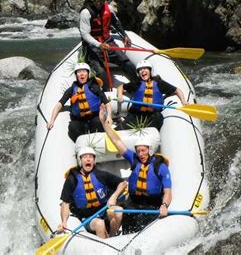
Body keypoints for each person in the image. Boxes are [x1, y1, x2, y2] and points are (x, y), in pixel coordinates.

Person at [99, 104, 172, 234]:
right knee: (123, 220)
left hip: (152, 206)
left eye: (143, 151)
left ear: (149, 150)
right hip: (133, 204)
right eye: (138, 151)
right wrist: (105, 124)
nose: (141, 154)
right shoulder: (134, 159)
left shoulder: (160, 166)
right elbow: (117, 142)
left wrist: (164, 206)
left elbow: (167, 192)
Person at [58, 146, 127, 238]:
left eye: (91, 157)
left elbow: (123, 183)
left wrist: (113, 197)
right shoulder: (72, 180)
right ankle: (104, 246)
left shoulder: (101, 175)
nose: (88, 159)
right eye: (85, 157)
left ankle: (112, 237)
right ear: (80, 161)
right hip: (87, 218)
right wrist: (64, 222)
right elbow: (65, 203)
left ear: (94, 161)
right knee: (99, 224)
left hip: (104, 211)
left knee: (119, 211)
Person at [79, 0, 137, 90]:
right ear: (92, 1)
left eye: (101, 0)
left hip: (107, 41)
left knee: (127, 63)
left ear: (104, 0)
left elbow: (116, 22)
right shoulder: (85, 13)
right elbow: (85, 35)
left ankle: (138, 85)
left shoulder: (109, 9)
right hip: (92, 46)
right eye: (96, 1)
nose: (99, 3)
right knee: (101, 73)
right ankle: (105, 94)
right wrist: (99, 45)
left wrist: (124, 35)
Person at [47, 62, 112, 142]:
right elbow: (59, 104)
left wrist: (109, 116)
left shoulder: (95, 87)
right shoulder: (72, 89)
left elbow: (107, 103)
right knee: (72, 127)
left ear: (88, 73)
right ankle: (81, 145)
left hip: (94, 118)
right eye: (79, 72)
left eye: (84, 71)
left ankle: (97, 142)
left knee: (98, 122)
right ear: (76, 75)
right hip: (80, 120)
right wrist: (52, 120)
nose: (81, 74)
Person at [117, 60, 189, 131]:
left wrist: (183, 101)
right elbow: (121, 87)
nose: (142, 71)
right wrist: (120, 96)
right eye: (140, 70)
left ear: (150, 71)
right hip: (136, 115)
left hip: (153, 116)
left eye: (145, 68)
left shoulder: (159, 83)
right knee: (118, 130)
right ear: (138, 73)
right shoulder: (136, 83)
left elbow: (177, 90)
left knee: (157, 118)